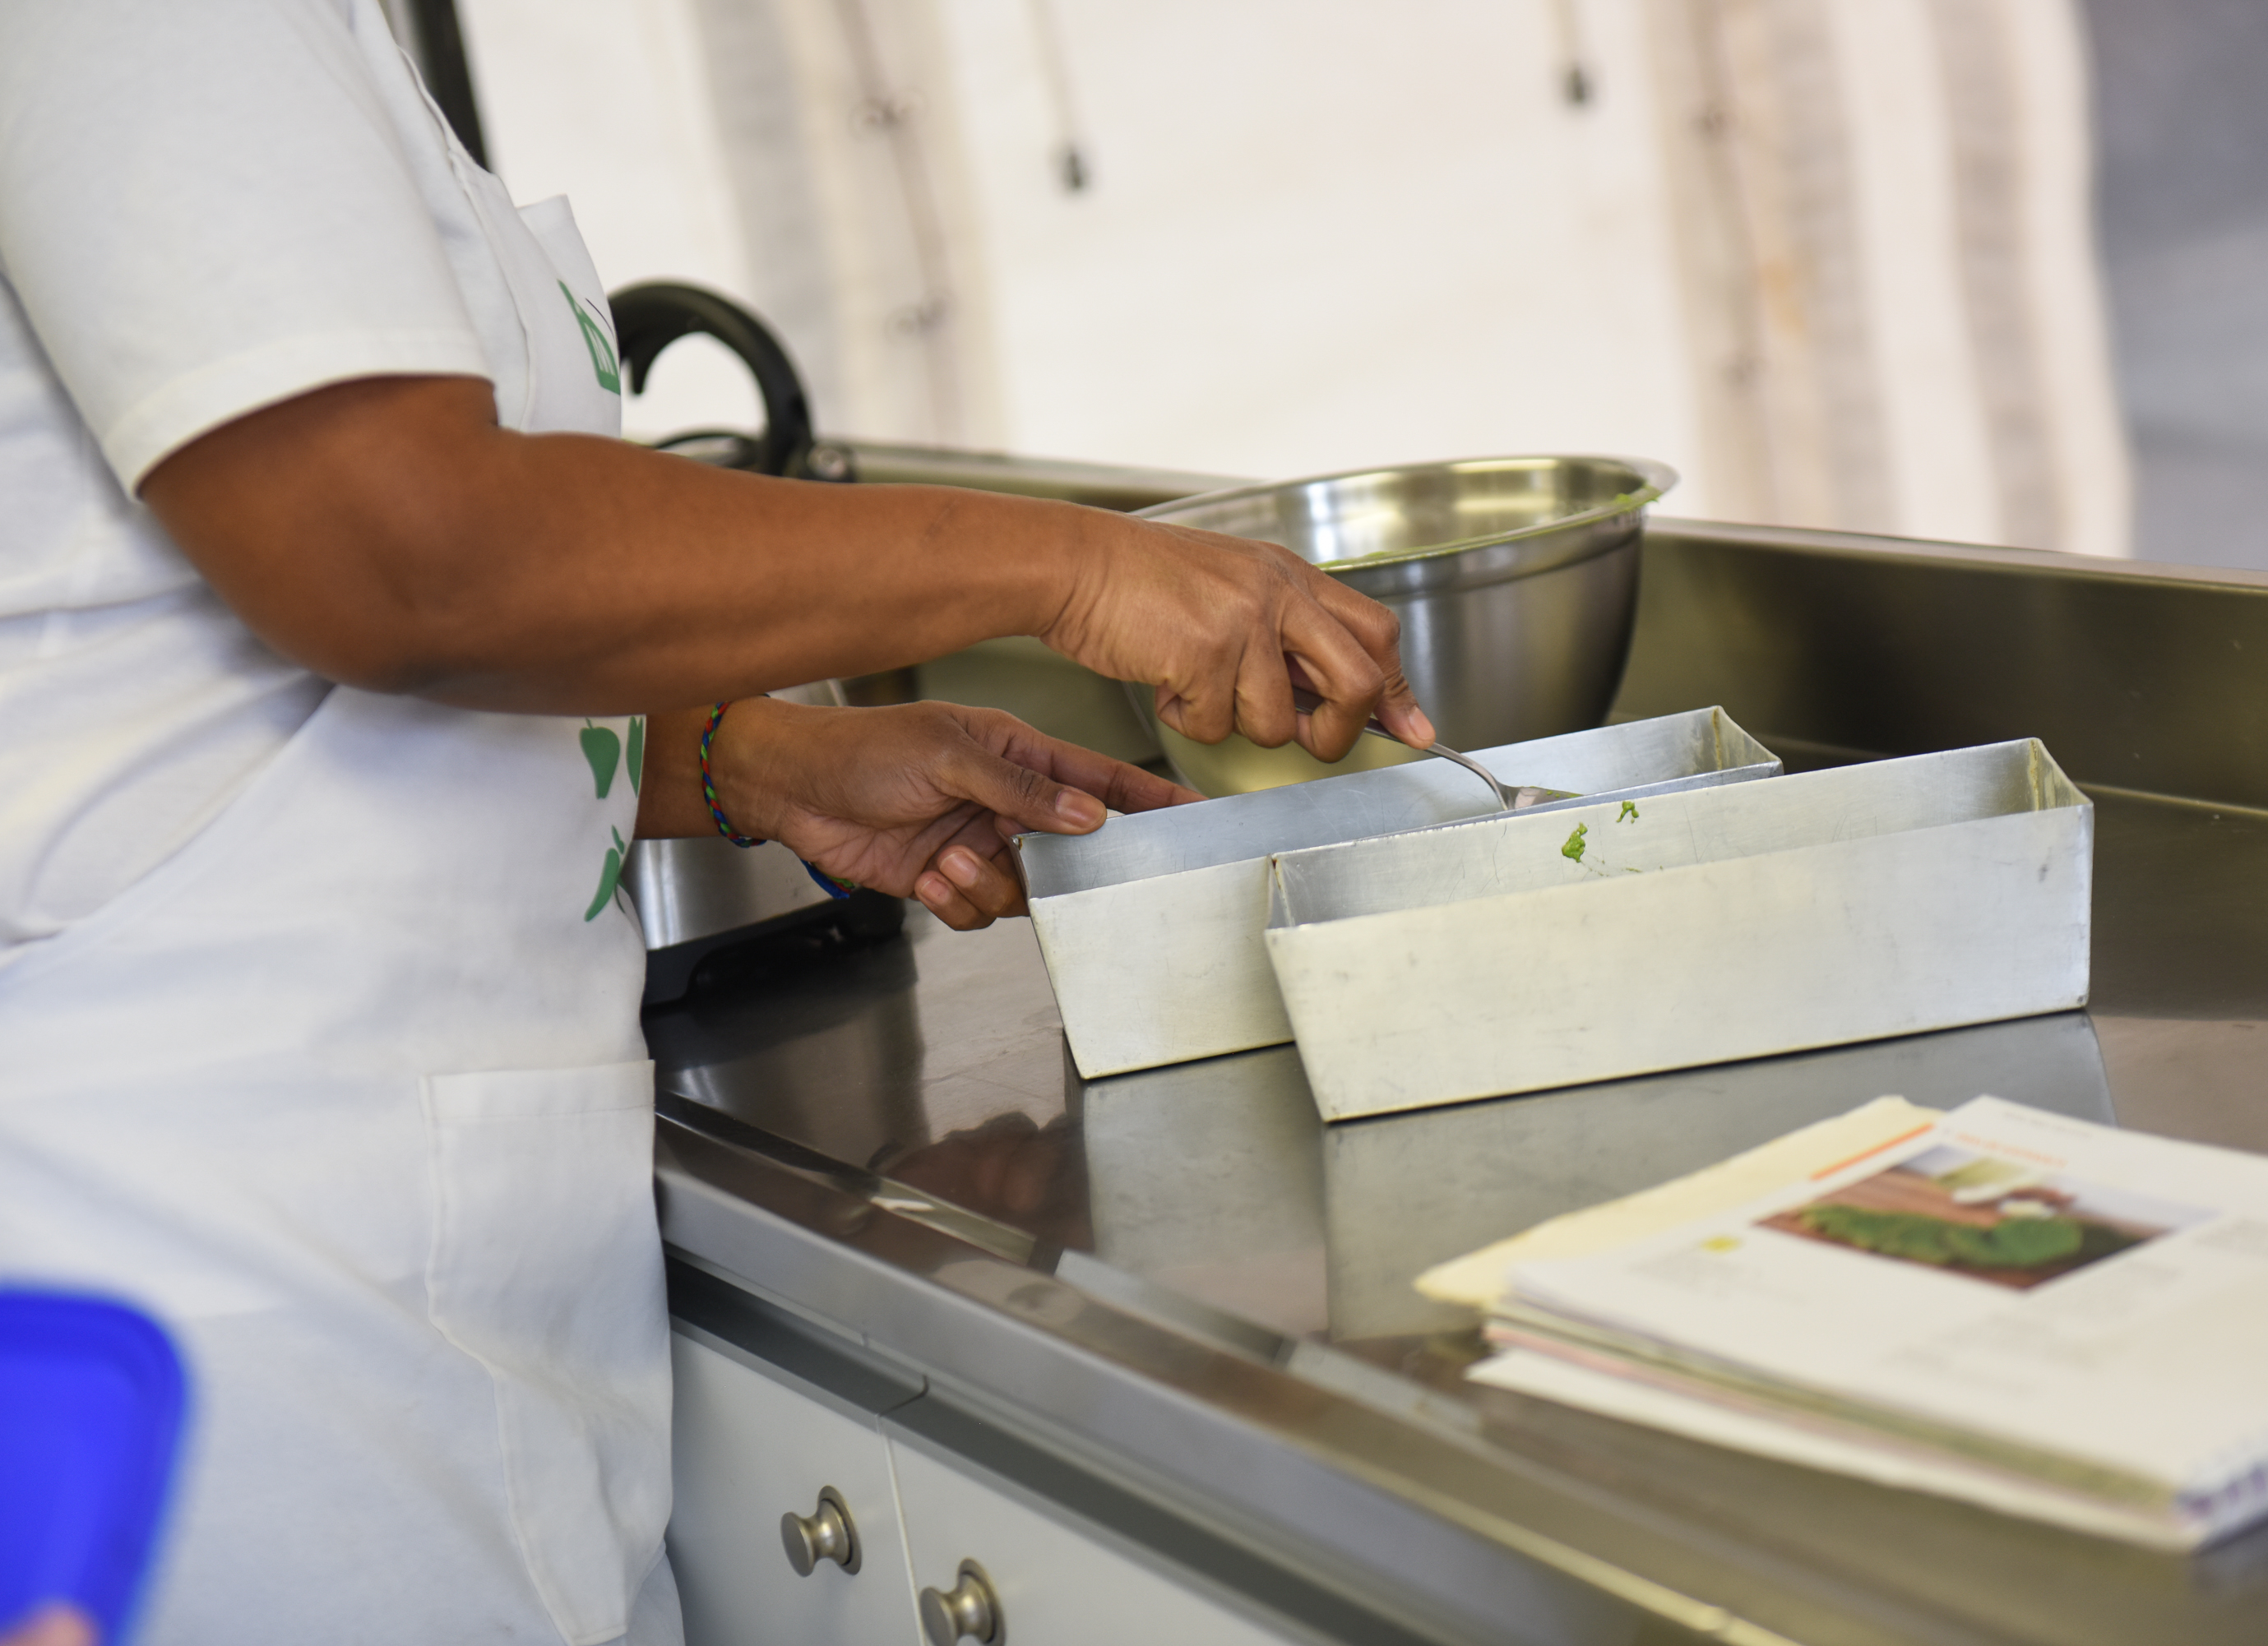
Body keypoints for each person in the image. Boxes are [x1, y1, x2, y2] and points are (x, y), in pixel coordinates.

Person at [0, 3, 1428, 1642]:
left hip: (400, 1271)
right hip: (230, 1316)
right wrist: (1075, 564)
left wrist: (747, 754)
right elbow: (404, 550)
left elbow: (154, 666)